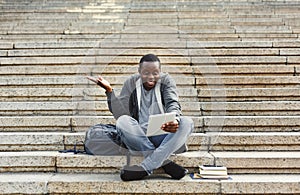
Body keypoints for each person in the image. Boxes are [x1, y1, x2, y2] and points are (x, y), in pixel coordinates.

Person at [87, 54, 194, 181]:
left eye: (155, 73)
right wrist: (109, 91)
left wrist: (174, 120)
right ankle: (164, 162)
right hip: (138, 135)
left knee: (187, 122)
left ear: (160, 72)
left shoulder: (167, 81)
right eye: (146, 73)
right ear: (139, 72)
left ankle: (145, 168)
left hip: (163, 133)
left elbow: (173, 103)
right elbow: (121, 113)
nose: (151, 77)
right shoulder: (131, 82)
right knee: (123, 121)